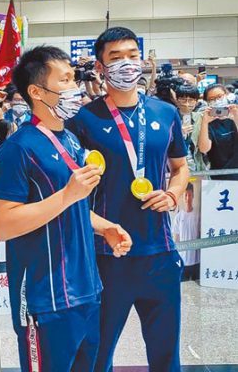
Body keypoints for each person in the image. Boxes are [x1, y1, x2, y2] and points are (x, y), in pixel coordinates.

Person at [0, 45, 132, 372]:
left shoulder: (70, 141)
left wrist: (103, 226)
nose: (76, 88)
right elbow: (3, 224)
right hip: (45, 299)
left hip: (87, 289)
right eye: (66, 80)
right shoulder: (17, 149)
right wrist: (69, 195)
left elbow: (72, 205)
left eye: (74, 79)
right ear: (37, 91)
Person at [66, 27, 190, 372]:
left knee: (166, 355)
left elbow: (180, 167)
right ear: (100, 66)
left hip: (160, 254)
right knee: (95, 355)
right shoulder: (83, 119)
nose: (126, 64)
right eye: (116, 57)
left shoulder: (166, 113)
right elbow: (68, 188)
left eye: (132, 55)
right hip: (107, 256)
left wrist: (172, 194)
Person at [198, 84, 238, 180]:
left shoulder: (235, 114)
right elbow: (204, 149)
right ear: (207, 102)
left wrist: (236, 118)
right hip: (219, 177)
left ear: (226, 95)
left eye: (220, 96)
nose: (217, 100)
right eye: (212, 99)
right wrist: (204, 122)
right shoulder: (209, 122)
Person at [174, 84, 207, 172]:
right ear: (177, 100)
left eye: (191, 100)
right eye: (183, 99)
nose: (187, 103)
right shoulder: (168, 117)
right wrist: (177, 134)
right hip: (174, 166)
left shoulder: (200, 118)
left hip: (196, 166)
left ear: (196, 102)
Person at [172, 183, 200, 281]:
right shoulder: (178, 217)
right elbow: (176, 239)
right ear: (183, 197)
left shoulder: (198, 216)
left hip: (196, 262)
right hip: (183, 262)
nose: (188, 198)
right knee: (185, 291)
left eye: (190, 195)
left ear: (193, 196)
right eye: (186, 195)